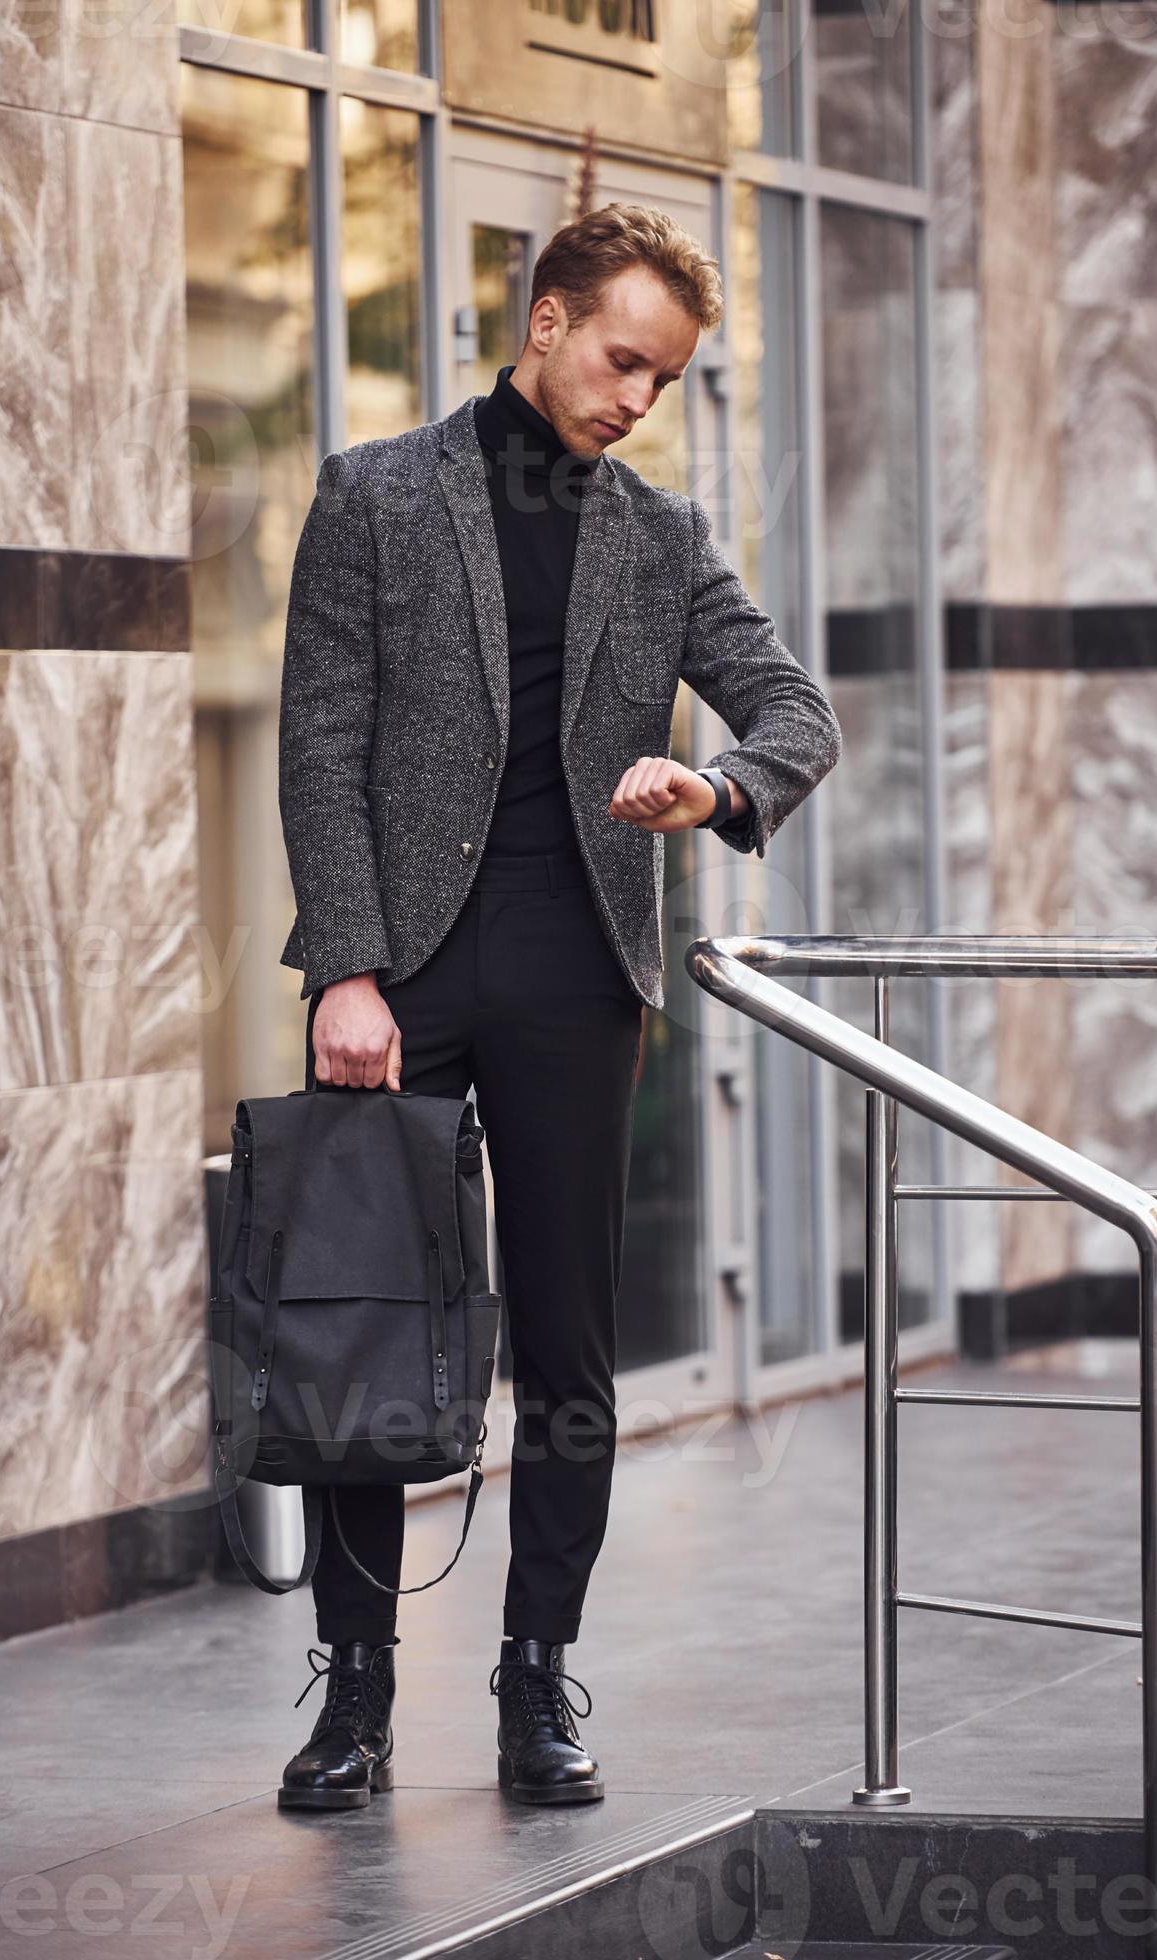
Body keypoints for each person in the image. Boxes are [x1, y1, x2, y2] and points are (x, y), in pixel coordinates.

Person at [273, 202, 842, 1812]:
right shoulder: (375, 497)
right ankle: (357, 1702)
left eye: (663, 380)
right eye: (622, 361)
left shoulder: (660, 539)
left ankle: (535, 1683)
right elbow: (320, 748)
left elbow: (797, 708)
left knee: (574, 1355)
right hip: (401, 977)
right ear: (546, 319)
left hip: (578, 987)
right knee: (361, 1344)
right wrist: (350, 971)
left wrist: (714, 786)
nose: (636, 399)